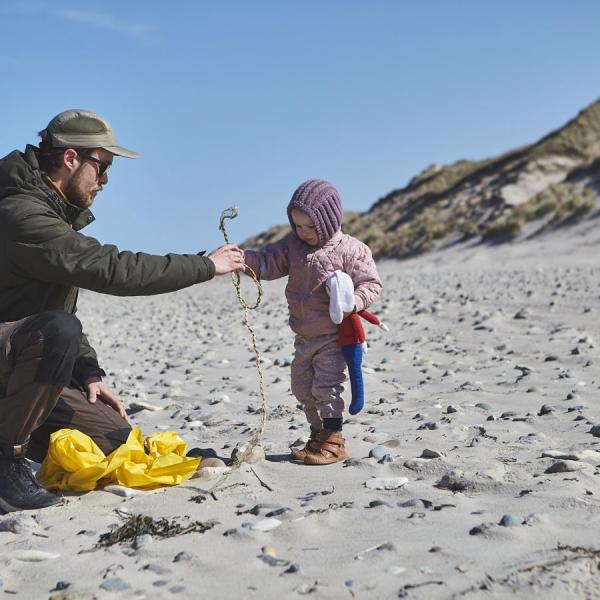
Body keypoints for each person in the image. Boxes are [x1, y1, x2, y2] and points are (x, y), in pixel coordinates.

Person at [0, 109, 245, 511]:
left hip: (13, 362)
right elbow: (111, 269)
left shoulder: (52, 214)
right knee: (58, 331)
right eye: (103, 166)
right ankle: (5, 462)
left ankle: (20, 435)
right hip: (9, 359)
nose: (106, 181)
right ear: (70, 158)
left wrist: (86, 370)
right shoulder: (21, 215)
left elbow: (46, 302)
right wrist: (205, 266)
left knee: (114, 440)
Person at [243, 179, 383, 465]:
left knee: (327, 386)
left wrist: (354, 302)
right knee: (302, 386)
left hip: (334, 335)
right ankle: (318, 433)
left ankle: (335, 439)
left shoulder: (351, 249)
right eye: (297, 226)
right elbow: (269, 263)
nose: (303, 233)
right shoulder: (293, 247)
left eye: (310, 227)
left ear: (329, 221)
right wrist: (243, 259)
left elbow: (371, 283)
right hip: (304, 336)